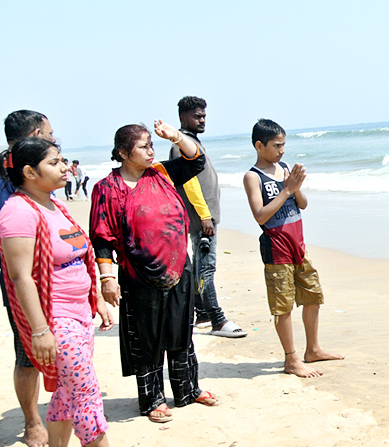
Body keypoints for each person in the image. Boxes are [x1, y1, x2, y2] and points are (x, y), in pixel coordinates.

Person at [0, 137, 151, 447]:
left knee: (67, 391)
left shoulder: (53, 205)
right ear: (30, 172)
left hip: (78, 314)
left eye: (64, 160)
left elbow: (75, 258)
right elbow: (21, 278)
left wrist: (94, 296)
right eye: (55, 162)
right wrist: (39, 330)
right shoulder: (17, 213)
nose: (66, 167)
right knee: (85, 392)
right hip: (54, 319)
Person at [90, 121, 220, 421]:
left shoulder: (160, 174)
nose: (151, 151)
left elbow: (195, 160)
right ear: (123, 153)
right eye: (143, 146)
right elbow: (102, 239)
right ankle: (152, 399)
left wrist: (176, 136)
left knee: (181, 331)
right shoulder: (107, 189)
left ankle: (188, 389)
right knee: (147, 337)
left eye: (152, 145)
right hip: (138, 274)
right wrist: (107, 279)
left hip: (179, 268)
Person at [243, 119, 342, 378]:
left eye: (284, 144)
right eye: (277, 145)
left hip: (299, 244)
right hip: (277, 249)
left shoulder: (285, 168)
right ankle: (291, 358)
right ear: (259, 145)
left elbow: (304, 204)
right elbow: (260, 215)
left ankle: (313, 349)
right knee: (283, 305)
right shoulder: (253, 177)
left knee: (313, 295)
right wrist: (286, 190)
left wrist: (295, 189)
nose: (282, 150)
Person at [0, 110, 56, 447]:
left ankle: (62, 413)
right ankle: (32, 421)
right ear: (35, 132)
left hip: (55, 280)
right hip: (20, 283)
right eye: (49, 132)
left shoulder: (44, 172)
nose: (53, 138)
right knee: (27, 353)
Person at [170, 95, 246, 338]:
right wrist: (204, 215)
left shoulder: (191, 142)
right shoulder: (182, 145)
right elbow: (189, 182)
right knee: (206, 268)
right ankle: (217, 319)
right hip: (200, 217)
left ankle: (200, 312)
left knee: (201, 267)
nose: (202, 120)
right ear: (183, 117)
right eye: (197, 116)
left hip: (203, 216)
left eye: (204, 115)